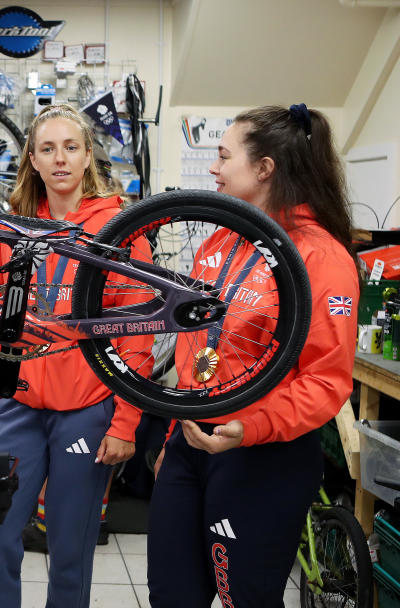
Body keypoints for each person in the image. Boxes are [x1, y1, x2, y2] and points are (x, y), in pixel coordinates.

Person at [147, 105, 360, 607]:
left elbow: (326, 383)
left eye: (223, 156)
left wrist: (249, 428)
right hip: (192, 446)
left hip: (263, 454)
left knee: (246, 598)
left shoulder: (321, 258)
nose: (214, 168)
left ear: (264, 169)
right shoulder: (225, 237)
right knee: (171, 596)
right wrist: (176, 434)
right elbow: (200, 348)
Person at [0, 105, 148, 608]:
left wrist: (126, 422)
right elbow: (2, 307)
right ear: (33, 160)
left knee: (70, 548)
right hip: (20, 410)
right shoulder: (14, 228)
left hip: (88, 413)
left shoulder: (120, 228)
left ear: (88, 157)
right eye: (48, 149)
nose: (60, 159)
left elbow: (137, 334)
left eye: (71, 147)